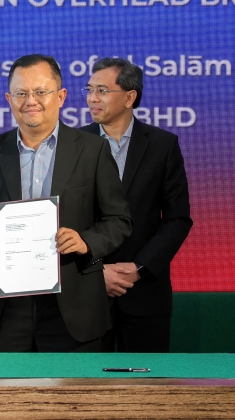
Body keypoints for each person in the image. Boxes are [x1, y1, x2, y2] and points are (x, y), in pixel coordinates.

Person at [0, 54, 132, 352]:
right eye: (21, 93)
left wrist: (85, 241)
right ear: (9, 98)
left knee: (75, 399)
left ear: (61, 96)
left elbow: (119, 220)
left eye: (41, 92)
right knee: (5, 398)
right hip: (4, 309)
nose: (31, 101)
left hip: (73, 308)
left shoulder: (92, 150)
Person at [81, 57, 192, 353]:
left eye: (102, 90)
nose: (93, 98)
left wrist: (138, 268)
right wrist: (96, 271)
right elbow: (64, 219)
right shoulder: (74, 143)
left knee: (147, 388)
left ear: (130, 97)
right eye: (89, 90)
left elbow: (177, 219)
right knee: (83, 389)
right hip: (87, 291)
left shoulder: (162, 145)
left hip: (144, 292)